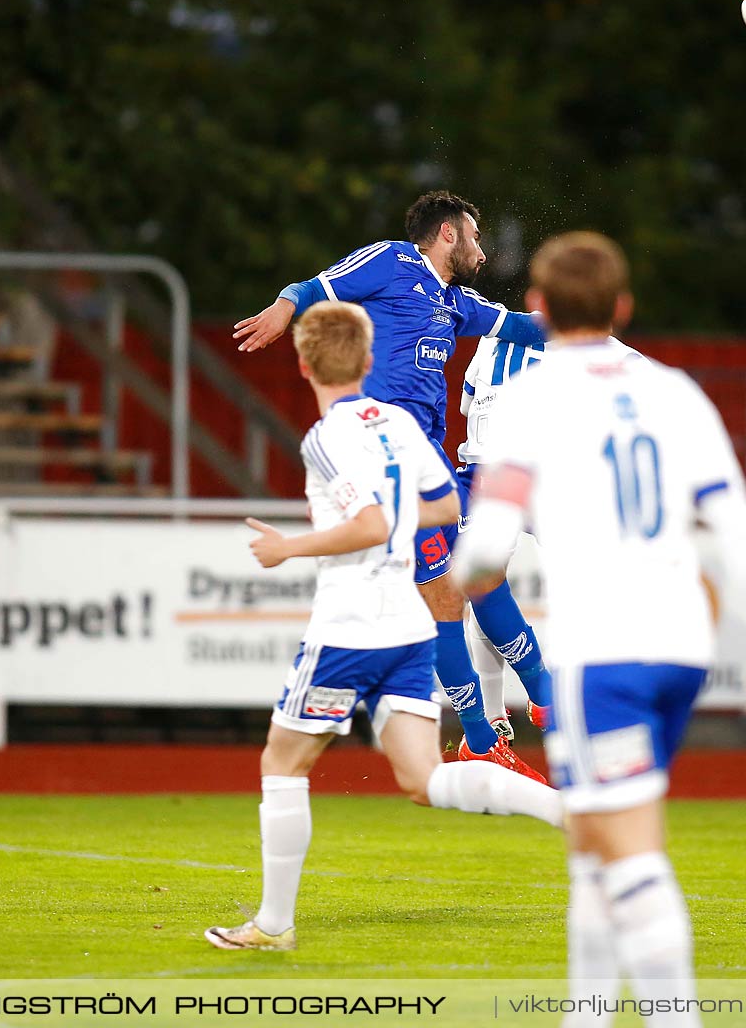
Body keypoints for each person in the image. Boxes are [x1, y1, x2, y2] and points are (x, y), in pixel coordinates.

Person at [458, 233, 746, 1023]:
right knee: (591, 845)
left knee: (627, 850)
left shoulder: (532, 397)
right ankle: (588, 1014)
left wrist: (468, 578)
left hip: (601, 652)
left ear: (537, 308)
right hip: (681, 645)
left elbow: (482, 544)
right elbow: (735, 528)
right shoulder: (674, 390)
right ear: (622, 306)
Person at [206, 302, 563, 953]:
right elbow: (449, 504)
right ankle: (565, 811)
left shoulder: (323, 437)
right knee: (422, 780)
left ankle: (274, 925)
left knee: (282, 761)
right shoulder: (398, 420)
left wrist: (289, 549)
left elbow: (367, 525)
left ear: (304, 362)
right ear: (370, 362)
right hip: (410, 626)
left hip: (349, 626)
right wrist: (400, 528)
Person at [234, 191, 551, 778]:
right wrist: (283, 308)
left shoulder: (454, 302)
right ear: (449, 234)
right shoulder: (394, 260)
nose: (483, 251)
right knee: (449, 593)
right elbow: (317, 287)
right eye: (476, 237)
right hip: (382, 457)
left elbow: (521, 330)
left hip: (425, 458)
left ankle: (512, 716)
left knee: (467, 582)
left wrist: (587, 327)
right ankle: (507, 719)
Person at [455, 335, 554, 744]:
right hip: (551, 473)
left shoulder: (489, 342)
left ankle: (494, 717)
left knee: (482, 586)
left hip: (486, 470)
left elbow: (466, 403)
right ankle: (556, 698)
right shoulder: (596, 344)